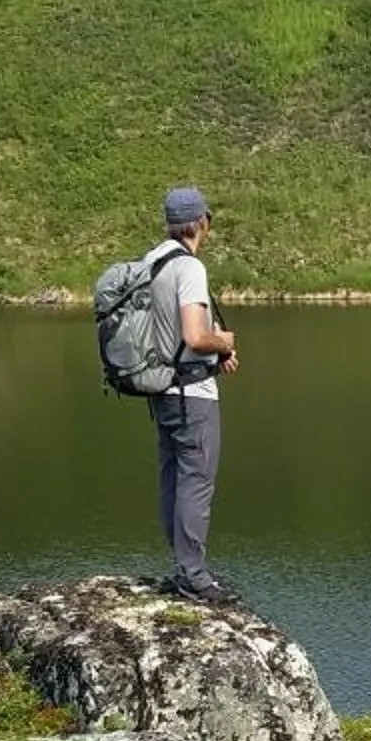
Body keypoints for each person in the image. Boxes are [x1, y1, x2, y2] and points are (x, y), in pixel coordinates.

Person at [144, 185, 240, 605]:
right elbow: (194, 335)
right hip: (192, 396)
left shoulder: (150, 261)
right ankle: (193, 575)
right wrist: (222, 343)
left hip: (160, 388)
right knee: (197, 480)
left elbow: (164, 336)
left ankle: (184, 565)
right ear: (201, 222)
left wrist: (210, 357)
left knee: (174, 477)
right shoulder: (189, 269)